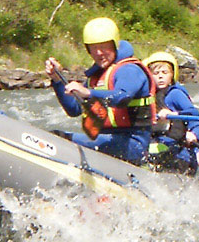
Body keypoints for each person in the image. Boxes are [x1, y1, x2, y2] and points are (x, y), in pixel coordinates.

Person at [44, 17, 157, 165]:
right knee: (54, 136)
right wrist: (57, 80)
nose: (99, 53)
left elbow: (122, 97)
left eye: (104, 47)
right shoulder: (96, 77)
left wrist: (88, 93)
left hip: (132, 144)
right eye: (93, 48)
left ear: (114, 45)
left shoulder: (130, 70)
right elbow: (74, 109)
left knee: (58, 137)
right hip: (105, 140)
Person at [143, 51, 199, 174]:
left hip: (179, 153)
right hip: (159, 147)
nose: (160, 76)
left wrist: (194, 136)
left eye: (164, 73)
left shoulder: (175, 94)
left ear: (172, 75)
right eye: (156, 73)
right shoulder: (148, 97)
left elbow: (195, 119)